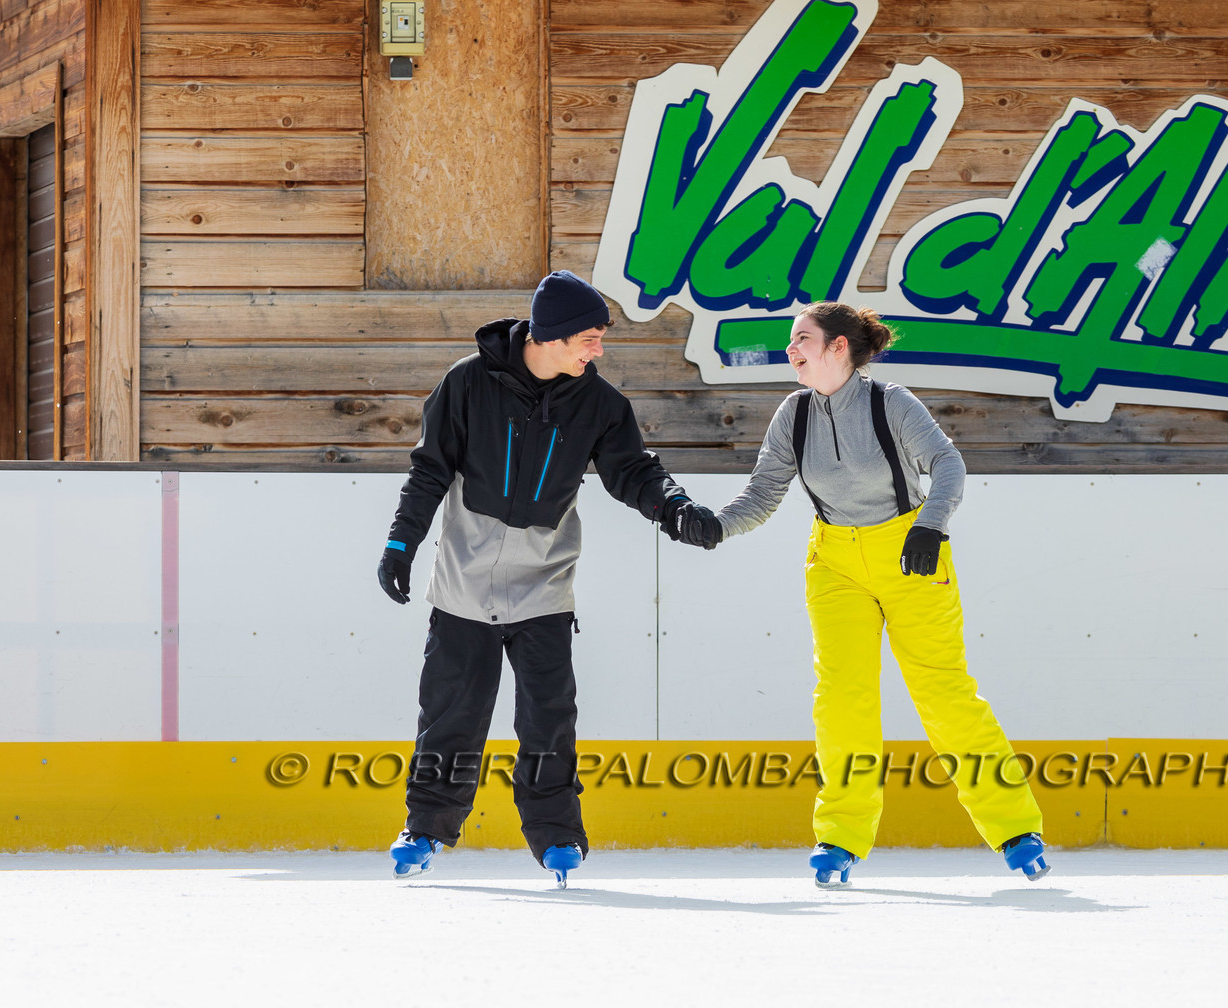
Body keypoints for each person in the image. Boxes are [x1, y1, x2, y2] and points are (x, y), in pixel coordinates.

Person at [669, 302, 1049, 886]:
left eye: (802, 340)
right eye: (791, 342)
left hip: (910, 553)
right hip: (834, 563)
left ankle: (1016, 828)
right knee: (842, 698)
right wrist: (718, 526)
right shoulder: (792, 415)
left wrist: (931, 524)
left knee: (943, 692)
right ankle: (841, 837)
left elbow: (946, 463)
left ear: (838, 347)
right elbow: (763, 493)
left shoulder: (890, 402)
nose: (791, 351)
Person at [376, 270, 717, 885]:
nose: (599, 350)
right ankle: (425, 827)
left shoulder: (599, 403)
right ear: (551, 335)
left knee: (549, 715)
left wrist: (676, 511)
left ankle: (558, 835)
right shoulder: (467, 383)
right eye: (589, 338)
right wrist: (402, 543)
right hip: (463, 583)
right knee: (451, 713)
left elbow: (634, 471)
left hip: (544, 584)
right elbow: (429, 470)